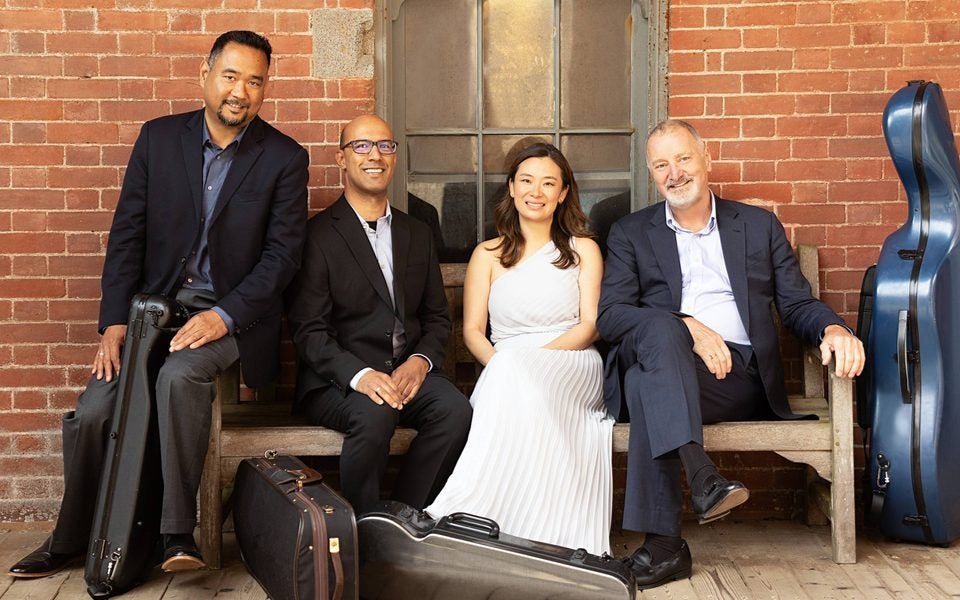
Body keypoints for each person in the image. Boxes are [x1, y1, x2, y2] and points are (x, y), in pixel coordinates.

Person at [7, 31, 308, 578]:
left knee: (178, 377)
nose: (241, 90)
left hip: (232, 317)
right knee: (96, 409)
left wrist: (222, 317)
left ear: (266, 88)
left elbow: (281, 260)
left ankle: (176, 534)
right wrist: (114, 322)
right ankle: (70, 538)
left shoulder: (284, 158)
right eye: (231, 75)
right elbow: (127, 236)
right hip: (151, 315)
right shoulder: (158, 139)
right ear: (206, 73)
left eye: (255, 80)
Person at [597, 119, 865, 589]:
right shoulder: (630, 233)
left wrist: (832, 328)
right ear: (651, 174)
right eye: (661, 165)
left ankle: (664, 546)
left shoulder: (757, 226)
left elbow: (796, 302)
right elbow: (612, 316)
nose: (674, 173)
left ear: (706, 160)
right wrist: (689, 327)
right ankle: (703, 479)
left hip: (733, 377)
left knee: (644, 385)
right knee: (658, 339)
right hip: (666, 359)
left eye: (682, 159)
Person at [425, 142, 614, 555]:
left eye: (549, 183)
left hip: (571, 361)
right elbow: (473, 331)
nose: (537, 191)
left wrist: (531, 362)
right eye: (527, 181)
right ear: (511, 188)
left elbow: (591, 324)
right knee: (517, 381)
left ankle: (504, 518)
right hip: (505, 366)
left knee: (523, 378)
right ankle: (491, 518)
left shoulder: (583, 248)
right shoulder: (487, 255)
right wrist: (504, 368)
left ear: (563, 193)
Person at [286, 115, 472, 515]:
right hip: (337, 382)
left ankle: (402, 519)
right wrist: (362, 376)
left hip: (407, 374)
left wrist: (420, 363)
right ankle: (364, 529)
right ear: (341, 158)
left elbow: (438, 317)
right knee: (376, 410)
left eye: (385, 146)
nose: (375, 155)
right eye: (362, 146)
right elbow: (310, 331)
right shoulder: (316, 237)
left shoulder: (417, 233)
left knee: (456, 411)